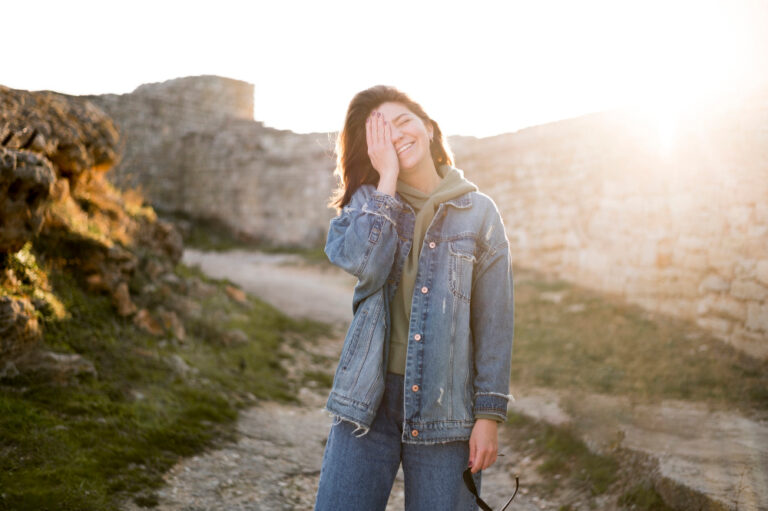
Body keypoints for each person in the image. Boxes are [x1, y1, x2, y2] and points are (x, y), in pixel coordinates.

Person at [314, 85, 514, 511]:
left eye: (403, 120)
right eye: (380, 132)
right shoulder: (368, 204)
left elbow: (495, 322)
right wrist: (386, 179)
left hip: (448, 408)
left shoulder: (480, 214)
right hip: (368, 400)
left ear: (428, 126)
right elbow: (363, 263)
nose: (396, 134)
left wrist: (489, 415)